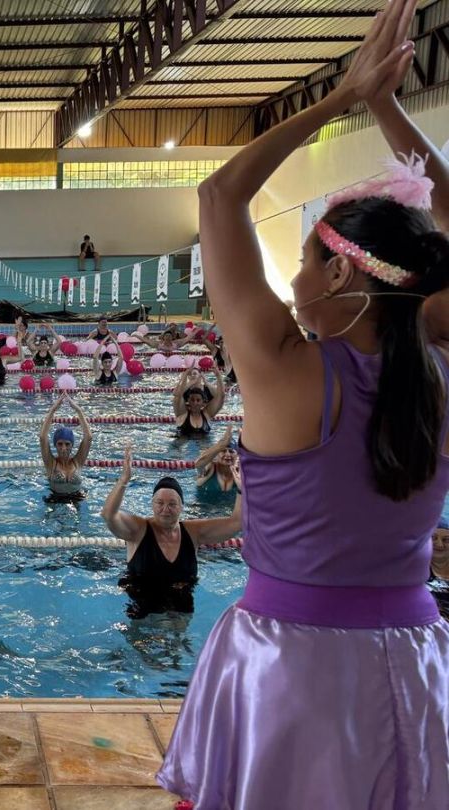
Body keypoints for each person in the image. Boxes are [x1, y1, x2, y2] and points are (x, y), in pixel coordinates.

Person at [157, 3, 449, 804]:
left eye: (304, 262)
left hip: (294, 671)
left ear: (345, 275)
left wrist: (348, 97)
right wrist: (387, 107)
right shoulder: (439, 369)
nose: (292, 282)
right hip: (417, 666)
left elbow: (219, 197)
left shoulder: (289, 374)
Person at [103, 446, 243, 619]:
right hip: (142, 609)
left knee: (178, 643)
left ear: (182, 507)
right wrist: (123, 480)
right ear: (152, 505)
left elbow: (236, 523)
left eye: (172, 504)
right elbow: (109, 515)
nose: (165, 509)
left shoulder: (194, 532)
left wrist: (241, 490)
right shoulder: (138, 530)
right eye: (159, 503)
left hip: (180, 608)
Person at [39, 394, 92, 500]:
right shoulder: (51, 463)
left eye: (67, 444)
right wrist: (53, 410)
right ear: (55, 444)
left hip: (77, 498)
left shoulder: (77, 461)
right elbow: (42, 438)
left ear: (72, 445)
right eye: (60, 444)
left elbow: (89, 437)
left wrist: (78, 410)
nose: (63, 448)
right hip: (55, 499)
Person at [172, 367, 225, 437]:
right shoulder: (182, 414)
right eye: (192, 400)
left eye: (198, 400)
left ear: (204, 403)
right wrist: (185, 376)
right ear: (188, 401)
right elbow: (177, 395)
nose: (195, 403)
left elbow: (221, 396)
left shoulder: (207, 414)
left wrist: (219, 376)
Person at [193, 425, 240, 501]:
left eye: (231, 451)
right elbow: (198, 464)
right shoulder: (210, 468)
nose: (228, 454)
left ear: (237, 455)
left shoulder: (239, 473)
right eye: (223, 451)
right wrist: (221, 445)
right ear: (216, 455)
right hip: (205, 510)